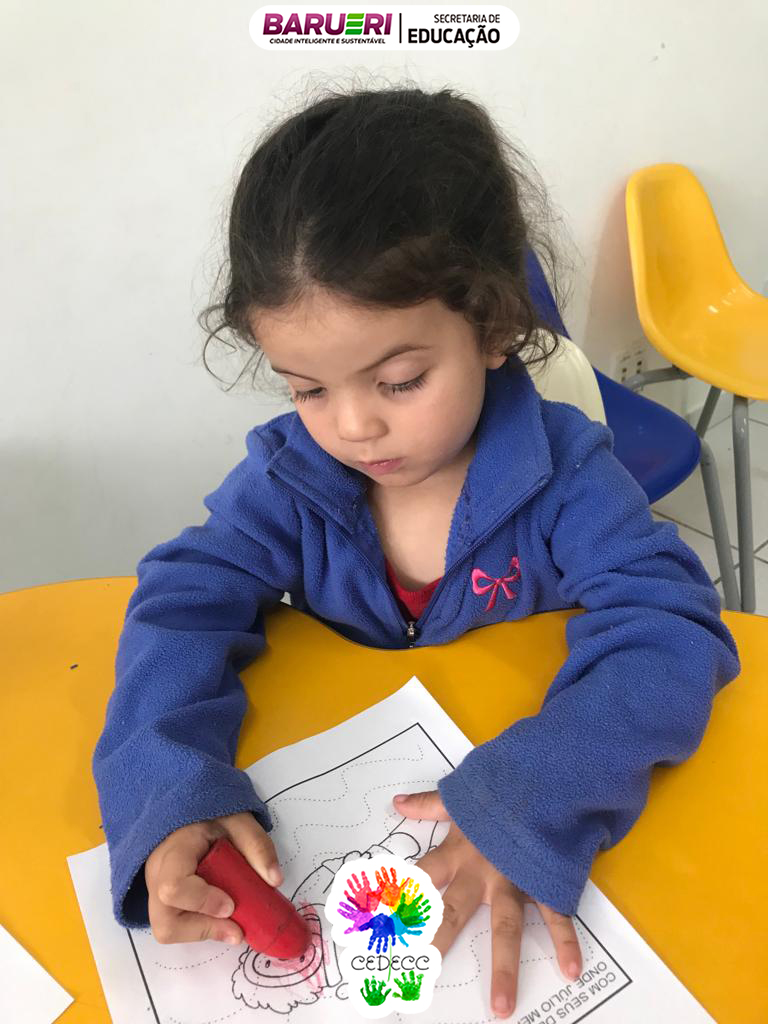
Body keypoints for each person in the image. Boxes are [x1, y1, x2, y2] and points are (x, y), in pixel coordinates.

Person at [92, 82, 740, 1019]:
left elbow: (675, 630)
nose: (353, 426)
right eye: (307, 388)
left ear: (492, 326)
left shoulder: (568, 477)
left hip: (559, 824)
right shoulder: (288, 478)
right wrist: (166, 790)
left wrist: (536, 795)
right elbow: (180, 600)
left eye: (398, 380)